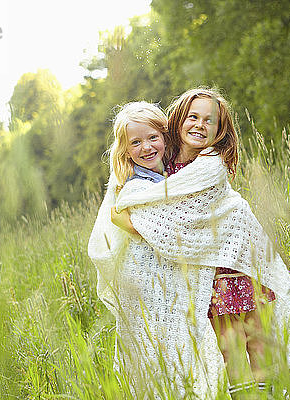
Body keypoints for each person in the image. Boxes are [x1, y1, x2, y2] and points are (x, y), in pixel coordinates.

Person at [112, 88, 290, 396]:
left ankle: (272, 393)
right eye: (192, 117)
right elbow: (154, 213)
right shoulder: (162, 167)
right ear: (178, 121)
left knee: (256, 337)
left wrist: (130, 220)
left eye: (209, 120)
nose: (199, 125)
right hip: (205, 275)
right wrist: (124, 213)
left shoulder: (210, 164)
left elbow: (192, 218)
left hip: (234, 261)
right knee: (228, 343)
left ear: (220, 130)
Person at [88, 101, 225, 399]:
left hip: (168, 284)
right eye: (136, 142)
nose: (146, 147)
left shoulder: (174, 177)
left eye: (152, 138)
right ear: (125, 151)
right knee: (154, 353)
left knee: (178, 350)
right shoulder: (136, 187)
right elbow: (154, 227)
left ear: (165, 137)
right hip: (145, 285)